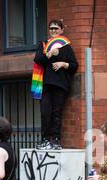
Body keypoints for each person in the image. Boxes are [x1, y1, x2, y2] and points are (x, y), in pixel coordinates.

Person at [34, 19, 78, 150]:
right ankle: (45, 140)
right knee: (45, 112)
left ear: (61, 31)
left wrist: (63, 64)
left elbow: (74, 65)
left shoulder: (66, 47)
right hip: (45, 84)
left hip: (60, 85)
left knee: (57, 112)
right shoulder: (43, 45)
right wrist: (48, 54)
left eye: (56, 28)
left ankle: (56, 141)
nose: (53, 31)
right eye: (51, 28)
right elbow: (37, 60)